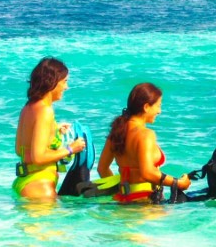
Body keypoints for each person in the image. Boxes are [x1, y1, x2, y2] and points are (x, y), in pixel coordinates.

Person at [97, 82, 191, 203]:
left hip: (124, 201)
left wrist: (122, 192)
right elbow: (147, 172)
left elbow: (102, 169)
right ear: (146, 107)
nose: (159, 111)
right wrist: (178, 183)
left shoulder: (116, 132)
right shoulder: (146, 134)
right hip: (146, 203)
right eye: (158, 106)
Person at [14, 57, 86, 200]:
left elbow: (20, 150)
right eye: (64, 81)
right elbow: (38, 157)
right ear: (52, 82)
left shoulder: (28, 108)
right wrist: (71, 148)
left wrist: (53, 130)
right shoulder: (46, 111)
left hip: (25, 181)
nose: (66, 87)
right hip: (40, 187)